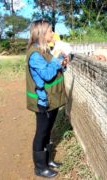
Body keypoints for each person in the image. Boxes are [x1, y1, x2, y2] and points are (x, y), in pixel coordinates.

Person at [26, 19, 69, 178]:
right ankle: (40, 167)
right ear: (42, 34)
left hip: (51, 99)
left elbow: (54, 68)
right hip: (42, 101)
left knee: (47, 130)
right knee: (41, 132)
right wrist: (57, 59)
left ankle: (47, 160)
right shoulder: (35, 54)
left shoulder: (44, 50)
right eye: (50, 31)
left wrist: (62, 63)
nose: (53, 33)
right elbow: (47, 74)